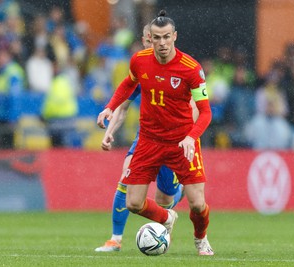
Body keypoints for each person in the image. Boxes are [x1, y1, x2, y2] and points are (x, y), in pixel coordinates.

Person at [97, 10, 214, 256]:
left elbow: (205, 112)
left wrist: (191, 137)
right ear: (149, 37)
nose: (162, 43)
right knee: (134, 202)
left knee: (197, 203)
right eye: (157, 37)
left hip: (181, 142)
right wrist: (109, 107)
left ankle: (200, 239)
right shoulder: (139, 60)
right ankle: (166, 217)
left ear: (174, 37)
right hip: (149, 141)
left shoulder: (191, 68)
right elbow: (128, 85)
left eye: (166, 37)